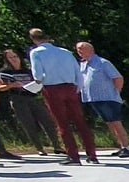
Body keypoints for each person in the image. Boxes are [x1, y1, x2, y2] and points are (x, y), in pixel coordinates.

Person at [29, 27, 100, 164]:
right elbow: (77, 72)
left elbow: (38, 75)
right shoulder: (65, 52)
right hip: (70, 87)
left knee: (62, 123)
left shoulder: (36, 53)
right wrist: (77, 88)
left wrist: (37, 82)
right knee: (80, 121)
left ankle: (73, 155)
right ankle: (92, 154)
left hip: (52, 89)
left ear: (34, 39)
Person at [75, 40, 129, 157]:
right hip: (93, 99)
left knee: (116, 122)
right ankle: (121, 146)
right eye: (78, 49)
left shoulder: (102, 63)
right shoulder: (82, 64)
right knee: (109, 123)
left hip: (108, 98)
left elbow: (118, 78)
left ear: (91, 49)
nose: (80, 51)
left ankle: (127, 147)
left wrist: (116, 92)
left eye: (82, 48)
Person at [0, 47, 60, 152]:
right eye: (10, 58)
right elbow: (0, 87)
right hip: (17, 98)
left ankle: (57, 145)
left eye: (15, 56)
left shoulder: (28, 70)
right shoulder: (5, 72)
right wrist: (11, 85)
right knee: (28, 123)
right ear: (6, 60)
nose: (14, 59)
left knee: (47, 120)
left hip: (32, 96)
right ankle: (39, 148)